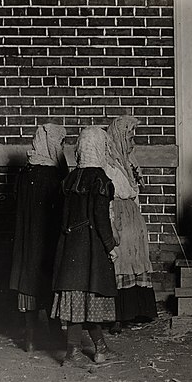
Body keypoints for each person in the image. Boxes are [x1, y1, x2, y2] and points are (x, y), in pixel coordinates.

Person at [51, 126, 120, 367]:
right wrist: (110, 245)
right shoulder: (100, 178)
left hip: (71, 250)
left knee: (75, 302)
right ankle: (99, 350)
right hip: (91, 250)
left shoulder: (70, 178)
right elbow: (101, 218)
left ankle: (74, 352)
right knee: (91, 299)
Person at [9, 123, 67, 352]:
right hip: (48, 239)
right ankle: (54, 336)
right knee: (48, 284)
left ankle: (30, 339)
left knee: (30, 285)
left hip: (26, 239)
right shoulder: (54, 175)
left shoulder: (25, 173)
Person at [104, 116, 158, 333]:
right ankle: (118, 315)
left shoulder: (129, 160)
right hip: (118, 214)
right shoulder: (107, 162)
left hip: (132, 215)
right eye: (128, 136)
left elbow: (134, 192)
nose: (131, 141)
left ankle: (136, 311)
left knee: (136, 258)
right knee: (121, 261)